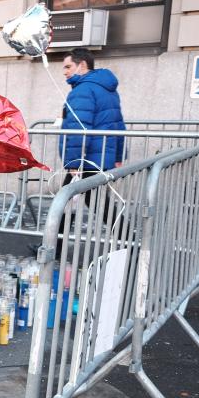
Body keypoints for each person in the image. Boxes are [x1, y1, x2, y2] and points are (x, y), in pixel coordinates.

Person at [52, 48, 126, 258]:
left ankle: (52, 248)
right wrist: (118, 156)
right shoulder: (106, 88)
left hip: (86, 160)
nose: (64, 72)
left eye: (68, 66)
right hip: (98, 158)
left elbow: (78, 127)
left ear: (82, 65)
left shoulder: (82, 90)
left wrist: (74, 163)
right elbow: (118, 124)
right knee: (76, 202)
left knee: (67, 201)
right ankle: (128, 239)